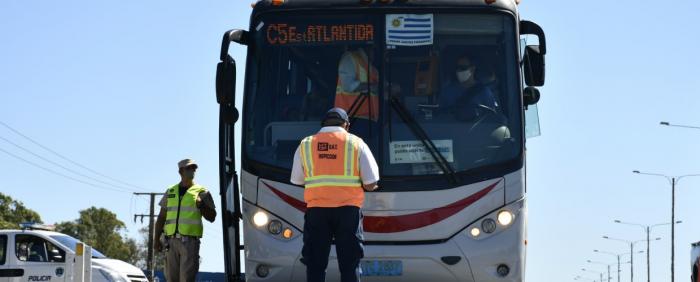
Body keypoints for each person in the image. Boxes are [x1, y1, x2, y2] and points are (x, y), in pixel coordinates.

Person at [290, 108, 380, 282]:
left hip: (317, 212)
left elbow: (297, 180)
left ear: (324, 124)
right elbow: (370, 183)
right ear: (346, 125)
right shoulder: (356, 143)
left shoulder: (306, 144)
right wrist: (371, 186)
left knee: (315, 264)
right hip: (348, 212)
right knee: (349, 265)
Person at [154, 159, 217, 282]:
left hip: (190, 243)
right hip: (170, 243)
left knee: (186, 279)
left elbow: (212, 217)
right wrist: (156, 240)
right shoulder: (170, 191)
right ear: (181, 171)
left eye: (194, 168)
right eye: (189, 168)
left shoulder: (202, 192)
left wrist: (202, 205)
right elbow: (162, 217)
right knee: (171, 279)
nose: (192, 170)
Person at [440, 54, 501, 121]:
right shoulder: (448, 91)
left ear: (472, 69)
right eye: (457, 68)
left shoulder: (484, 93)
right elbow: (440, 116)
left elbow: (492, 118)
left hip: (478, 130)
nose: (459, 71)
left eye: (463, 68)